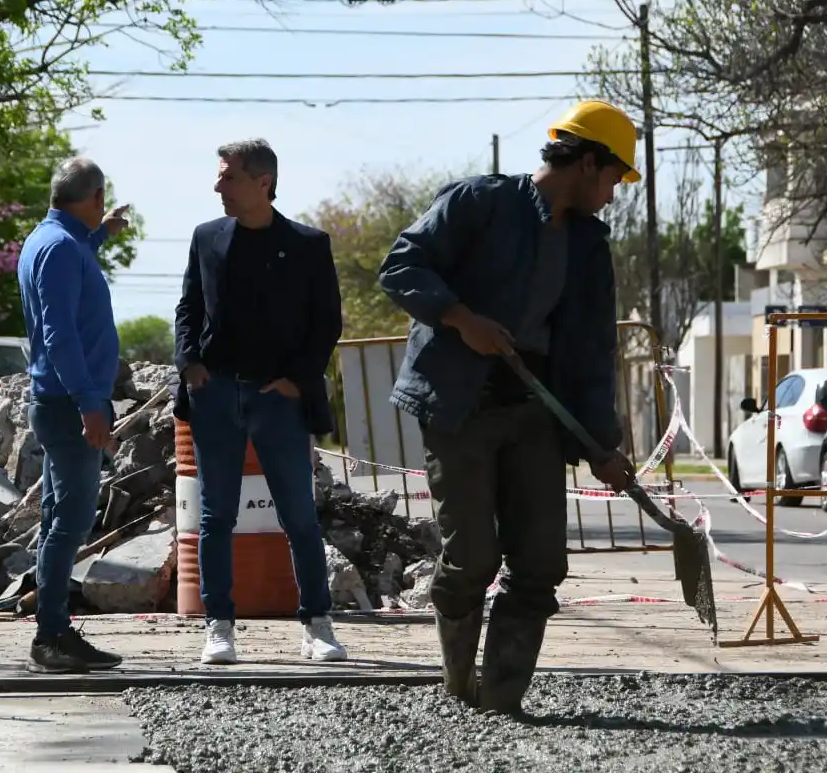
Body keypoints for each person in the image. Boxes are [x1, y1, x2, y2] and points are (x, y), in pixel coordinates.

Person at [376, 100, 641, 715]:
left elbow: (590, 354)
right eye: (614, 178)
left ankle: (501, 703)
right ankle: (459, 686)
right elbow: (401, 266)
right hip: (459, 407)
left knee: (540, 560)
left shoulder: (587, 246)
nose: (613, 195)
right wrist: (461, 318)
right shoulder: (479, 202)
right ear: (587, 162)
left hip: (533, 416)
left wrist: (602, 444)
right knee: (471, 557)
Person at [173, 138, 348, 665]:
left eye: (228, 176)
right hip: (216, 396)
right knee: (215, 517)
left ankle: (317, 625)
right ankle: (219, 628)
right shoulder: (207, 238)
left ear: (262, 182)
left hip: (279, 400)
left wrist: (299, 378)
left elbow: (327, 321)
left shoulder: (308, 244)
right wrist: (191, 365)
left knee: (299, 516)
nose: (217, 186)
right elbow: (188, 308)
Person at [17, 156, 131, 673]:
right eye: (101, 202)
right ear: (94, 197)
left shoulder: (52, 240)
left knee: (57, 516)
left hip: (60, 401)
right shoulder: (61, 249)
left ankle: (55, 628)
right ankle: (52, 635)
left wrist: (100, 235)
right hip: (69, 404)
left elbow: (70, 270)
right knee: (72, 519)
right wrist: (90, 404)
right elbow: (60, 335)